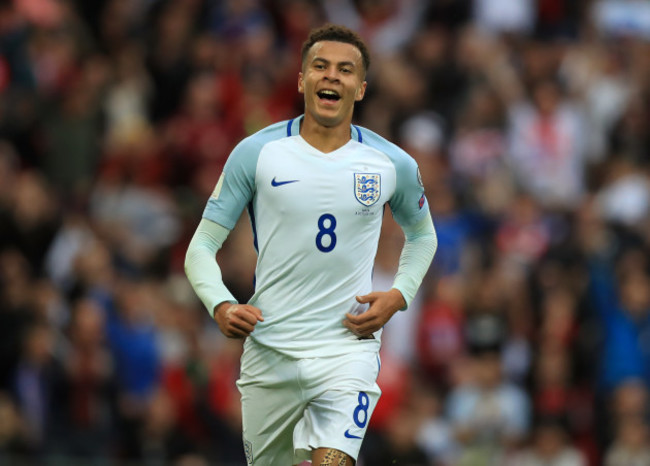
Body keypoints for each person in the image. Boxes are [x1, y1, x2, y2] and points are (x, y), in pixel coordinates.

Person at [185, 23, 437, 466]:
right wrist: (220, 305)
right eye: (320, 66)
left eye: (345, 70)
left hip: (346, 349)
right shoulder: (256, 153)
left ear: (360, 88)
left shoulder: (391, 163)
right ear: (302, 80)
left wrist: (399, 295)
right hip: (270, 349)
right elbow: (202, 245)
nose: (331, 77)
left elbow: (422, 235)